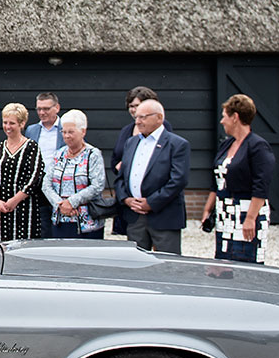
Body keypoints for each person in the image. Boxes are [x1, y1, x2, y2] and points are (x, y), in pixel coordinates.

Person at [201, 94, 276, 263]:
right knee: (223, 262)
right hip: (225, 213)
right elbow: (217, 181)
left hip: (246, 211)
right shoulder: (226, 145)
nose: (222, 121)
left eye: (224, 116)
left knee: (246, 261)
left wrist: (250, 218)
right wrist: (208, 209)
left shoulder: (258, 146)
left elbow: (261, 185)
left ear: (235, 117)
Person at [114, 99, 190, 254]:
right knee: (136, 265)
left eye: (143, 117)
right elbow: (120, 177)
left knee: (167, 265)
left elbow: (178, 180)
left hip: (163, 216)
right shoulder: (131, 142)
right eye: (136, 117)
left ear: (159, 118)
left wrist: (151, 202)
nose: (138, 121)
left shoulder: (177, 144)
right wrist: (125, 199)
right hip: (134, 215)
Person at [109, 86, 170, 236]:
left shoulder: (163, 128)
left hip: (151, 198)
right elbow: (115, 157)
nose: (134, 110)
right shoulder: (126, 130)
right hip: (129, 197)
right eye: (131, 106)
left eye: (137, 105)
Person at [42, 109, 107, 239]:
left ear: (83, 131)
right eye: (64, 132)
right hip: (60, 220)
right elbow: (46, 184)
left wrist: (71, 202)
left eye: (71, 132)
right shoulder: (59, 154)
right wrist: (60, 204)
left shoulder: (93, 154)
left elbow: (97, 185)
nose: (66, 136)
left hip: (87, 223)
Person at [0, 103, 45, 242]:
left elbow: (34, 178)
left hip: (24, 208)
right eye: (5, 122)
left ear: (22, 123)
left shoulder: (31, 147)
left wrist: (14, 200)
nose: (7, 127)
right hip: (1, 210)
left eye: (12, 123)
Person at [25, 92, 61, 238]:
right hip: (38, 185)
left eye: (46, 109)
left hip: (59, 184)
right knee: (42, 224)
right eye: (39, 109)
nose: (42, 112)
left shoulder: (64, 129)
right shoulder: (32, 130)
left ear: (57, 108)